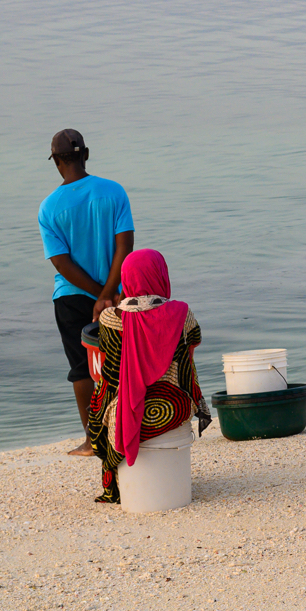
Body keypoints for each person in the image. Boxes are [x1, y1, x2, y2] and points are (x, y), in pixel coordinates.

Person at [37, 129, 134, 457]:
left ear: (56, 162)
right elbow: (125, 245)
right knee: (123, 362)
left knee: (81, 367)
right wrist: (108, 293)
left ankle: (94, 440)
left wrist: (95, 294)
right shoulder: (113, 191)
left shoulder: (49, 207)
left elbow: (61, 262)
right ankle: (130, 427)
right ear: (86, 154)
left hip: (71, 297)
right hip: (118, 293)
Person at [88, 249, 211, 504]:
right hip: (175, 405)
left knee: (101, 399)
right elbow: (190, 357)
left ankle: (115, 484)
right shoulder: (182, 313)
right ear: (161, 274)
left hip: (124, 410)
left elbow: (111, 372)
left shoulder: (110, 318)